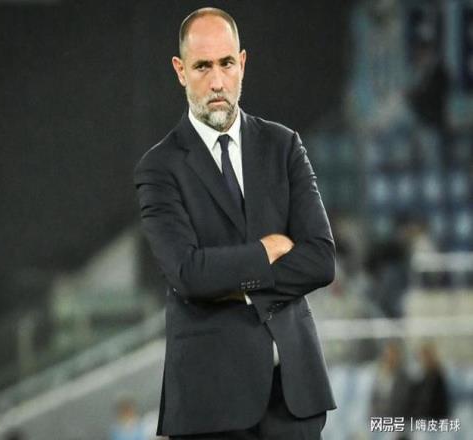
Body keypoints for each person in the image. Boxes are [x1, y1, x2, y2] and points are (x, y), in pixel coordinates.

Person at [134, 7, 336, 439]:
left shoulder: (284, 145)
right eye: (202, 66)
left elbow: (320, 260)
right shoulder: (159, 168)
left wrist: (232, 283)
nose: (217, 82)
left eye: (226, 63)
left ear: (242, 63)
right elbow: (189, 274)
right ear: (180, 71)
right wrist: (267, 251)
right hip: (211, 404)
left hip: (294, 399)